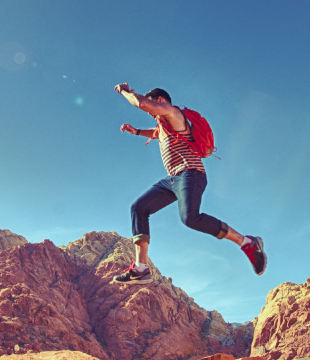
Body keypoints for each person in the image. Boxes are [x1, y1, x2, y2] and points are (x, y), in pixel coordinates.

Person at [112, 83, 266, 285]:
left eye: (153, 106)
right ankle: (141, 269)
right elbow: (156, 133)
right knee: (138, 208)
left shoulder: (173, 113)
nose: (150, 113)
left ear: (160, 101)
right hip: (172, 179)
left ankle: (247, 242)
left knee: (190, 218)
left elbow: (141, 104)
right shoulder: (164, 125)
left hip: (190, 173)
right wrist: (137, 131)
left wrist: (125, 91)